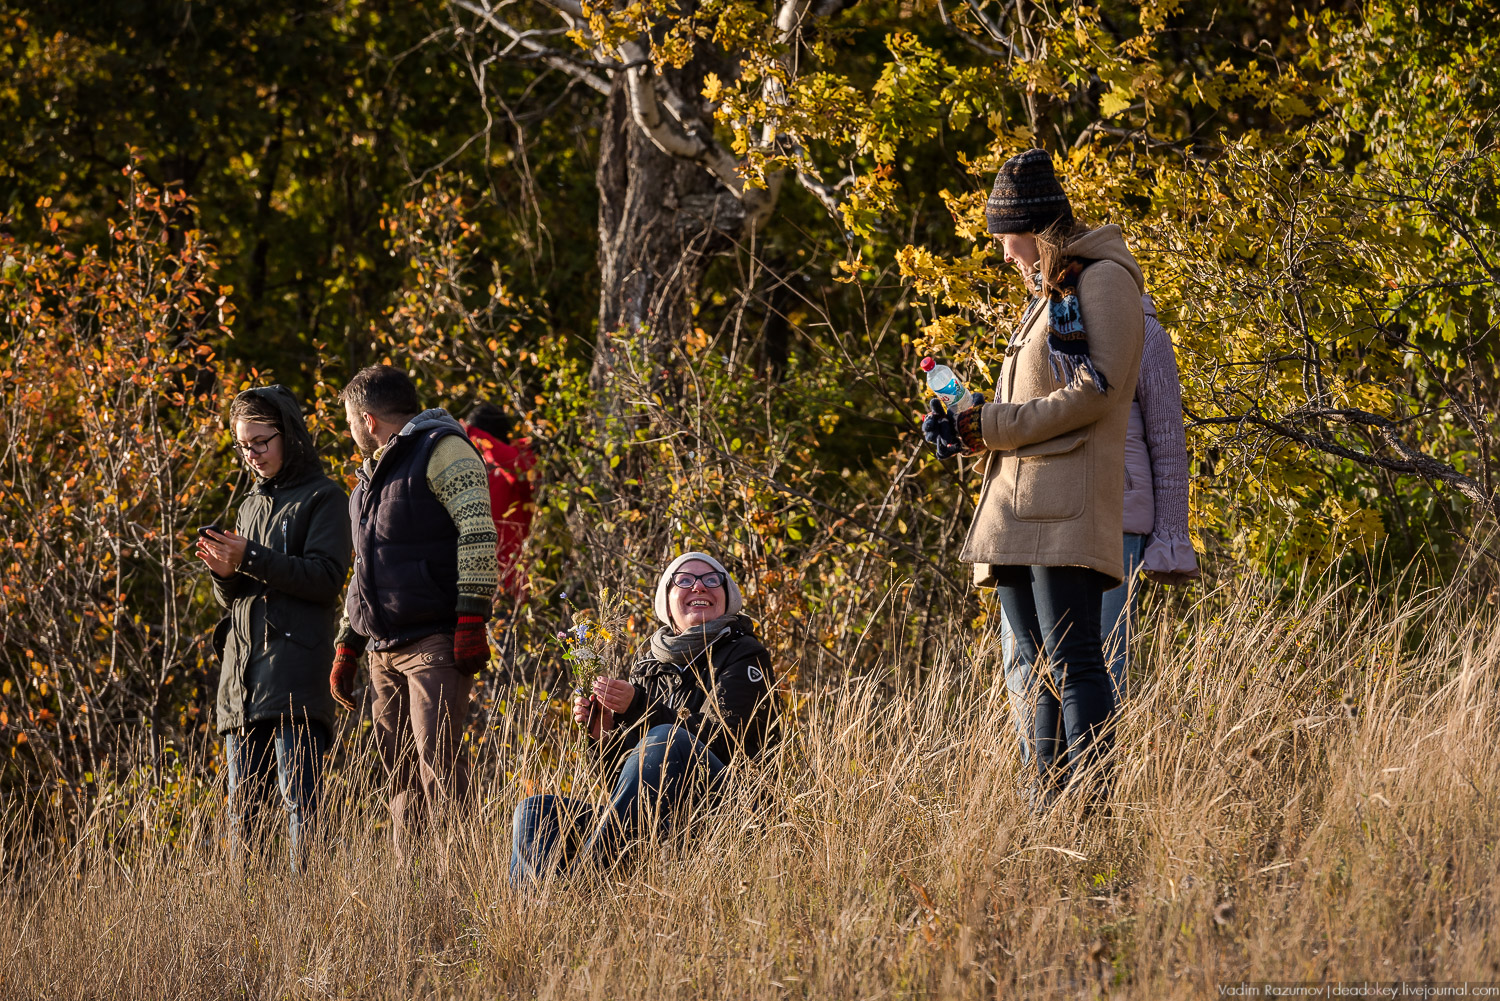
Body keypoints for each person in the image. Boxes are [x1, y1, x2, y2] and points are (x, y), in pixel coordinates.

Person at [923, 148, 1145, 804]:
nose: (1002, 255)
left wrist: (989, 425)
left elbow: (1096, 389)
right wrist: (965, 424)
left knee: (1075, 665)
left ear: (1034, 226)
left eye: (1005, 239)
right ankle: (1044, 817)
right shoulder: (1055, 287)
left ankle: (1093, 814)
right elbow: (1032, 405)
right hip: (1019, 509)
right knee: (1040, 670)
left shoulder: (1099, 279)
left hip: (1064, 505)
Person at [1002, 291, 1200, 762]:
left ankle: (1091, 808)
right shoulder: (1034, 324)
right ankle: (1043, 803)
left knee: (1096, 662)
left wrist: (1170, 536)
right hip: (1031, 513)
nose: (1007, 256)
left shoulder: (1140, 327)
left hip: (1113, 517)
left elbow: (1168, 436)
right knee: (1026, 669)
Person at [510, 552, 779, 886]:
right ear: (666, 602)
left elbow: (728, 739)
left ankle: (584, 880)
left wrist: (639, 706)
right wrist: (602, 738)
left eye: (712, 579)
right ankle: (540, 912)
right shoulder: (649, 665)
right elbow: (623, 787)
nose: (699, 585)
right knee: (536, 811)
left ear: (727, 597)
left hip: (733, 814)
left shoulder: (744, 654)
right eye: (684, 580)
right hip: (658, 826)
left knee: (668, 738)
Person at [330, 365, 498, 857]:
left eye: (349, 421)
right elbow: (365, 569)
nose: (349, 431)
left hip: (434, 641)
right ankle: (416, 904)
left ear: (367, 418)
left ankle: (464, 902)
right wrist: (348, 644)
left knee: (439, 768)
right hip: (383, 649)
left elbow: (478, 531)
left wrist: (471, 617)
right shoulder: (366, 483)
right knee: (400, 777)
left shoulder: (443, 449)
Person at [197, 386, 352, 869]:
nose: (253, 456)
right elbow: (237, 598)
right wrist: (224, 574)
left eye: (261, 442)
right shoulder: (248, 505)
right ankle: (252, 927)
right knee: (245, 823)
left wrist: (251, 557)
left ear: (289, 435)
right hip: (241, 685)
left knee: (301, 811)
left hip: (295, 678)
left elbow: (326, 579)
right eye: (244, 446)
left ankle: (309, 918)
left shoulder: (324, 497)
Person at [463, 401, 535, 605]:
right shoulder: (471, 471)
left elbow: (520, 467)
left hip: (511, 585)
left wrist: (473, 432)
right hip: (472, 585)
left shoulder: (518, 460)